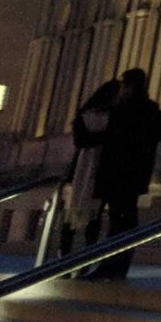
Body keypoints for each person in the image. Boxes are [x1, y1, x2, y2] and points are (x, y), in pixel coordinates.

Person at [84, 68, 161, 280]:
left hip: (118, 170)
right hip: (132, 172)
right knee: (123, 218)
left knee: (119, 219)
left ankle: (111, 265)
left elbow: (103, 134)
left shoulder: (123, 108)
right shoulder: (147, 109)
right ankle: (117, 265)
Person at [63, 79, 117, 254]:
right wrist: (105, 136)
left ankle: (65, 254)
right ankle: (85, 256)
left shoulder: (83, 117)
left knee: (72, 215)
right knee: (92, 216)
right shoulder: (113, 118)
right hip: (100, 172)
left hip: (81, 171)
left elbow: (81, 141)